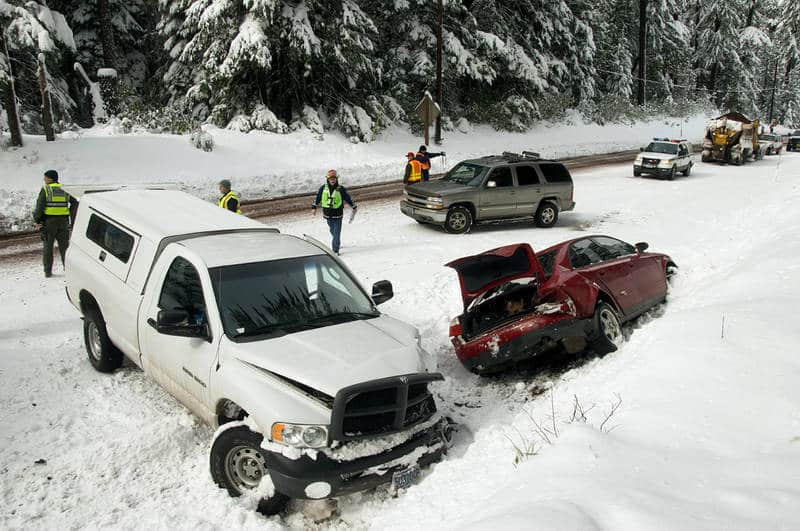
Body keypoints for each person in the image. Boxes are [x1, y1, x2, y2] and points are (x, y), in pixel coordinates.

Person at [33, 169, 73, 278]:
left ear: (50, 178)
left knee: (48, 247)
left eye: (45, 177)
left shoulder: (46, 189)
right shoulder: (64, 189)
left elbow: (40, 206)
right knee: (65, 247)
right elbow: (73, 203)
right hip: (63, 222)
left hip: (49, 222)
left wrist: (37, 220)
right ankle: (68, 269)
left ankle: (47, 271)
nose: (44, 179)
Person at [312, 169, 356, 254]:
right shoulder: (323, 188)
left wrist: (353, 206)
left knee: (336, 233)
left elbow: (347, 198)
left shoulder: (340, 188)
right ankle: (337, 242)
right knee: (332, 231)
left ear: (336, 179)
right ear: (328, 179)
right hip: (328, 214)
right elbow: (318, 198)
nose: (332, 180)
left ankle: (335, 250)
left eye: (334, 178)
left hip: (338, 214)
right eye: (331, 178)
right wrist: (314, 207)